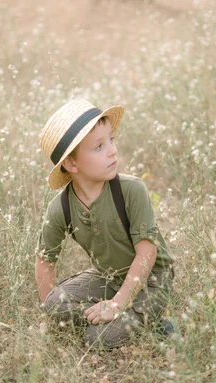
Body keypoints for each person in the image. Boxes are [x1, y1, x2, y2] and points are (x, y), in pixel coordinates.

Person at [35, 98, 175, 349]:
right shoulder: (62, 207)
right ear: (71, 163)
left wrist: (118, 303)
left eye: (111, 140)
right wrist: (53, 317)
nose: (112, 150)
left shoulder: (131, 190)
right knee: (54, 304)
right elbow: (45, 260)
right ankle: (116, 317)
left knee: (96, 339)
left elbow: (147, 251)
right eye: (99, 146)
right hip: (108, 277)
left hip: (152, 280)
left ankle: (145, 321)